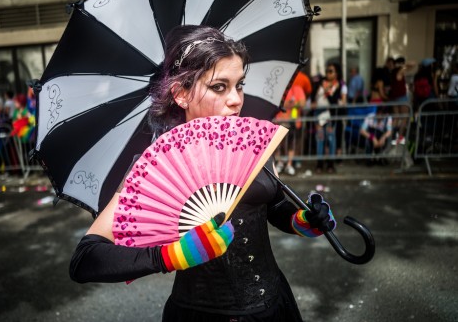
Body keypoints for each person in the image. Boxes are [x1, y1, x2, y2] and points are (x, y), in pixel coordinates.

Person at [69, 25, 337, 322]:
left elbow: (273, 206)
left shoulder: (250, 143)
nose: (236, 99)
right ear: (180, 94)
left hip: (276, 307)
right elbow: (86, 259)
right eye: (219, 86)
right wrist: (172, 256)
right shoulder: (155, 169)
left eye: (239, 85)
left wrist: (302, 220)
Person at [312, 63, 347, 173]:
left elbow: (336, 102)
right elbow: (313, 97)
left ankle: (330, 164)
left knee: (331, 139)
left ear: (336, 73)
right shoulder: (320, 83)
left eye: (331, 71)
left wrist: (328, 91)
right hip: (319, 114)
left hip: (331, 116)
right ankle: (319, 164)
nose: (328, 73)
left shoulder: (339, 86)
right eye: (327, 71)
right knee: (320, 139)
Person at [274, 82, 306, 175]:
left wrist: (289, 104)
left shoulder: (297, 88)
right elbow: (279, 104)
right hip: (279, 121)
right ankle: (280, 163)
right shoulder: (279, 88)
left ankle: (289, 164)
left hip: (292, 122)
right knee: (278, 144)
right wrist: (292, 103)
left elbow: (302, 103)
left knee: (291, 144)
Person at [360, 100, 393, 165]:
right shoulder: (370, 116)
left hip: (381, 136)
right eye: (379, 114)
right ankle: (369, 158)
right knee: (367, 140)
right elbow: (362, 130)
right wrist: (373, 138)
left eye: (382, 115)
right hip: (371, 136)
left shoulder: (388, 118)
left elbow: (389, 131)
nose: (380, 116)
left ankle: (380, 157)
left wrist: (383, 137)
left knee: (388, 139)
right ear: (377, 112)